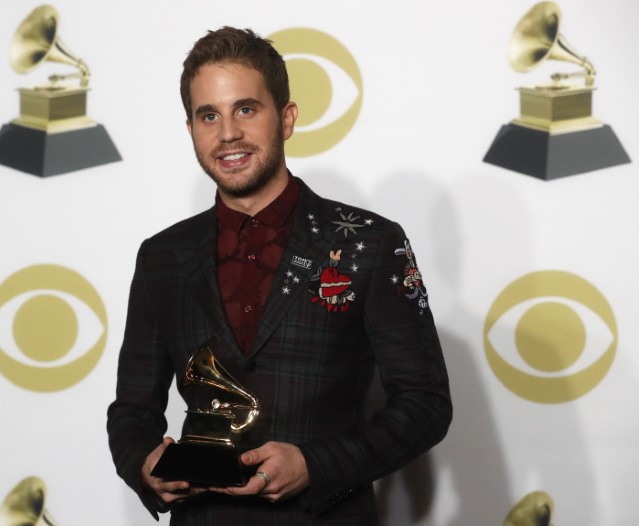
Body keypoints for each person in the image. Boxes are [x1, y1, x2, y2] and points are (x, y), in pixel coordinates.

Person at [107, 26, 452, 525]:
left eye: (246, 109)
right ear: (191, 130)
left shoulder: (369, 243)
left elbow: (425, 404)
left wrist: (316, 465)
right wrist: (143, 463)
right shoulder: (162, 256)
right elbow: (132, 410)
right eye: (209, 115)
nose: (227, 133)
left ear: (286, 119)